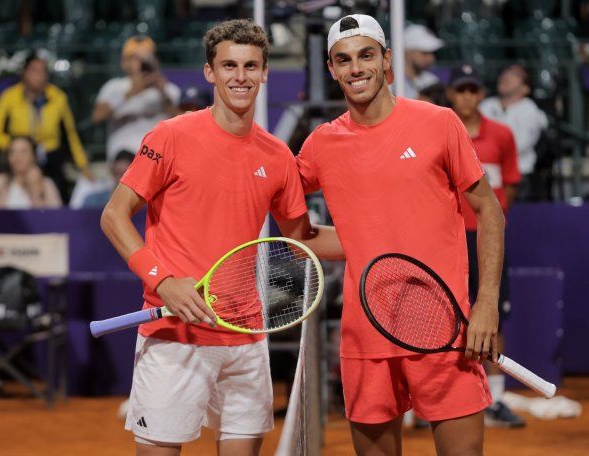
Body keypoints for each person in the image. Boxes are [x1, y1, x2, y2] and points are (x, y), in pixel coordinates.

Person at [100, 19, 341, 456]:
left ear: (266, 72)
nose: (241, 76)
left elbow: (300, 237)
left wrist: (380, 240)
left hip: (245, 339)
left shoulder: (278, 156)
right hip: (174, 336)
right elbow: (114, 216)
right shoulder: (170, 136)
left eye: (251, 66)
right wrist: (163, 280)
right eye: (229, 65)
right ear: (209, 72)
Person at [296, 14, 505, 455]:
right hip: (364, 336)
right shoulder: (319, 145)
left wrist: (485, 305)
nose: (356, 68)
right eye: (344, 60)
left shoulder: (439, 123)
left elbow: (490, 211)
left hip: (445, 329)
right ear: (331, 70)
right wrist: (357, 243)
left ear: (387, 60)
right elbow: (297, 227)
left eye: (366, 55)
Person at [447, 64, 525, 428]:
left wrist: (491, 224)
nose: (466, 97)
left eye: (472, 90)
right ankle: (443, 397)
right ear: (451, 95)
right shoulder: (443, 133)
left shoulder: (503, 135)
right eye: (460, 90)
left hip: (488, 240)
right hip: (450, 239)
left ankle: (495, 398)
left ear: (481, 94)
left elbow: (507, 187)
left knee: (492, 311)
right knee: (448, 315)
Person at [0, 53, 90, 202]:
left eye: (42, 71)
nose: (38, 76)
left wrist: (83, 166)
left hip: (50, 156)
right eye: (33, 70)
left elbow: (71, 135)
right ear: (24, 73)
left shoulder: (58, 97)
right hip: (17, 157)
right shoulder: (8, 97)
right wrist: (19, 150)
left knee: (55, 191)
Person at [92, 35, 181, 162]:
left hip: (157, 159)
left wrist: (163, 93)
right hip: (123, 161)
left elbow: (182, 121)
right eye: (136, 58)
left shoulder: (169, 89)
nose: (143, 62)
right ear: (124, 62)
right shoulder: (114, 87)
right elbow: (98, 117)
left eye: (148, 57)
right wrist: (131, 92)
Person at [479, 64, 548, 200]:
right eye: (505, 72)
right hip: (484, 173)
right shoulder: (485, 106)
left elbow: (520, 144)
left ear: (525, 88)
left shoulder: (530, 110)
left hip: (519, 177)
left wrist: (487, 149)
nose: (506, 76)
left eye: (515, 74)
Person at [0, 136, 62, 209]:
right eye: (12, 152)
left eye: (23, 151)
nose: (17, 156)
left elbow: (54, 218)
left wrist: (36, 189)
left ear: (33, 156)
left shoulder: (47, 184)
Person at [403, 24, 444, 99]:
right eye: (425, 52)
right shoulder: (389, 84)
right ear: (408, 51)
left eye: (432, 53)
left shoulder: (432, 82)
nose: (431, 58)